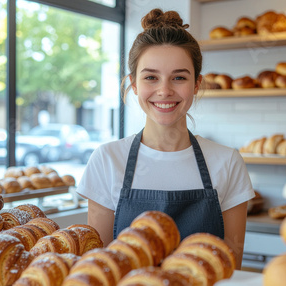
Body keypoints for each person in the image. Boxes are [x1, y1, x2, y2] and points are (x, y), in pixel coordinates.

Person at [76, 8, 255, 269]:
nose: (164, 91)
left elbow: (231, 268)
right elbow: (100, 269)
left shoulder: (227, 161)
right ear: (134, 84)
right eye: (151, 77)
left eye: (179, 77)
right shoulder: (107, 160)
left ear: (196, 84)